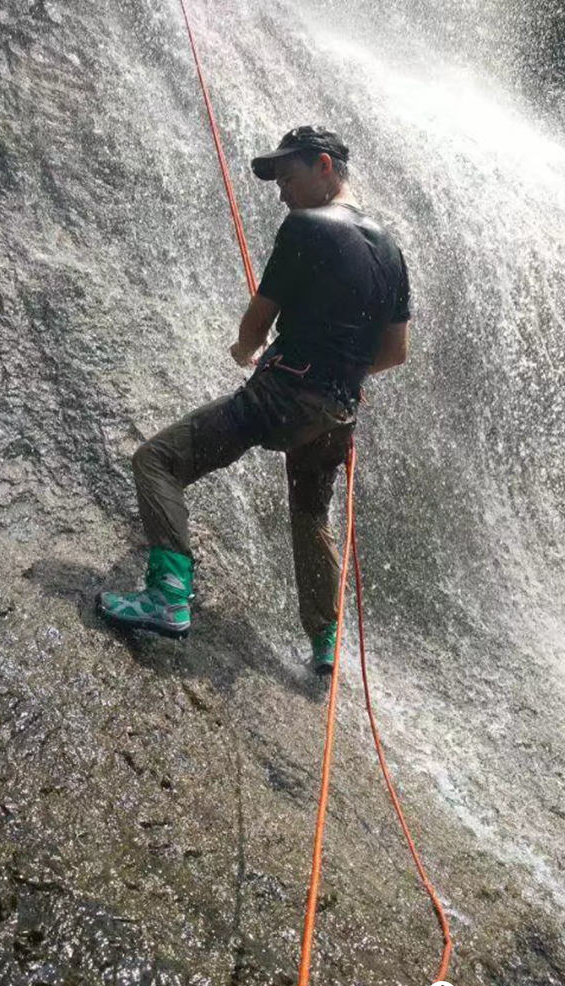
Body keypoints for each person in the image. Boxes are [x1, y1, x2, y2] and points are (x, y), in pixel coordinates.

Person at [96, 125, 411, 674]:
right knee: (310, 514)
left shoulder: (305, 227)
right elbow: (394, 352)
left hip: (279, 399)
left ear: (324, 167)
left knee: (157, 461)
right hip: (337, 413)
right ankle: (326, 639)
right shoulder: (390, 248)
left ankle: (168, 597)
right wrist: (337, 372)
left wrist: (247, 349)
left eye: (288, 178)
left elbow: (257, 320)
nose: (281, 193)